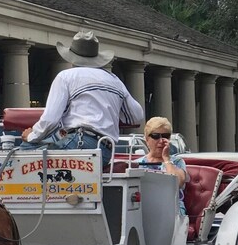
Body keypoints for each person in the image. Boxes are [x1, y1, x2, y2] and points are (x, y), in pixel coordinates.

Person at [21, 30, 145, 164]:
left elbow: (51, 119)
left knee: (25, 151)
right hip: (105, 150)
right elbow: (136, 115)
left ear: (72, 57)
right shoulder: (115, 80)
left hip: (79, 143)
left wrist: (32, 136)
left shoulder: (66, 77)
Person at [134, 116, 188, 214]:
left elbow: (177, 183)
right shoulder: (137, 163)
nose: (161, 141)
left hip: (172, 208)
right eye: (155, 136)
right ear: (147, 139)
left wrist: (166, 159)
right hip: (145, 208)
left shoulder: (177, 161)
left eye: (165, 136)